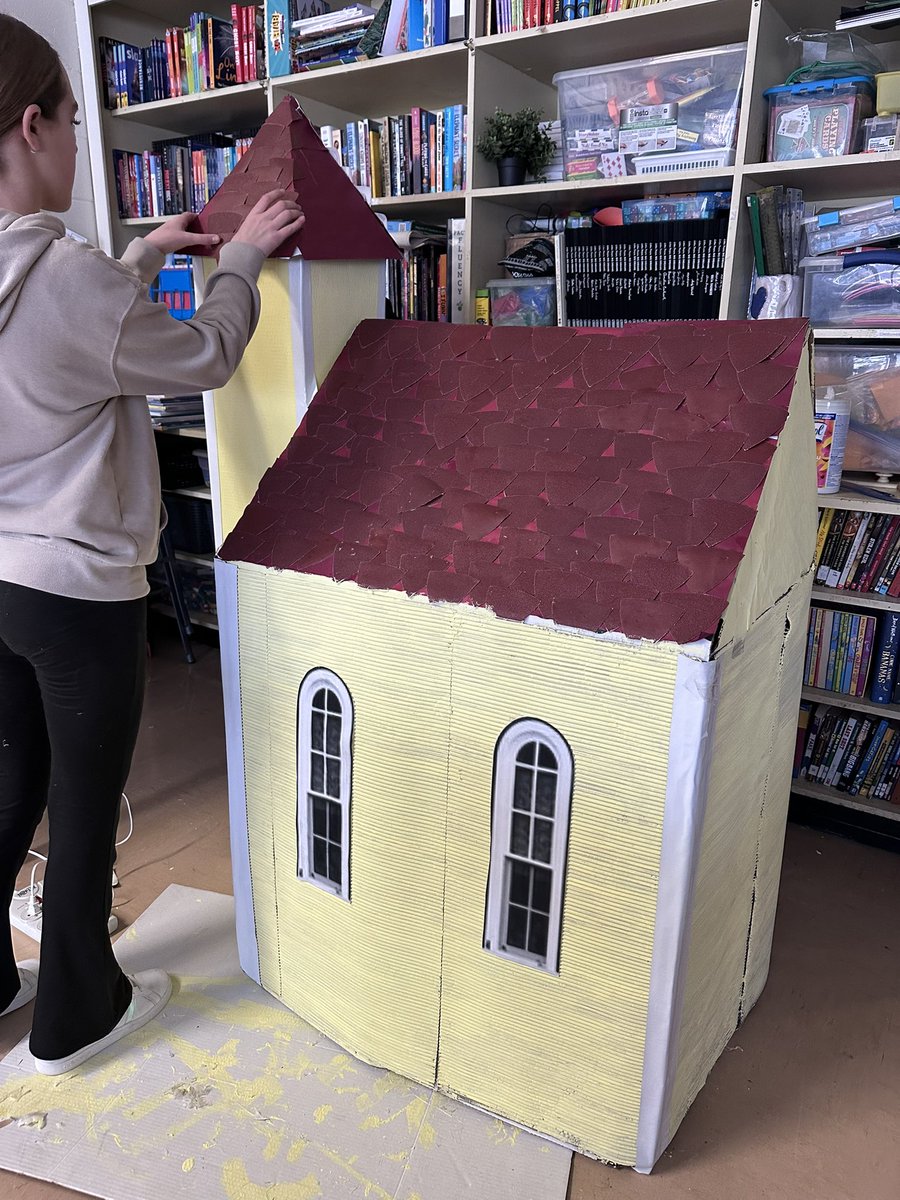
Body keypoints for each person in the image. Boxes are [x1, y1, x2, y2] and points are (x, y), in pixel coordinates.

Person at [0, 15, 304, 1076]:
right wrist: (250, 259)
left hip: (3, 582)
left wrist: (133, 259)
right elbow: (210, 356)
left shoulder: (53, 276)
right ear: (30, 125)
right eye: (75, 124)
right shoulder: (69, 280)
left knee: (11, 779)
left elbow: (56, 343)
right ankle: (78, 1010)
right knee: (82, 804)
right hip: (81, 590)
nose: (78, 146)